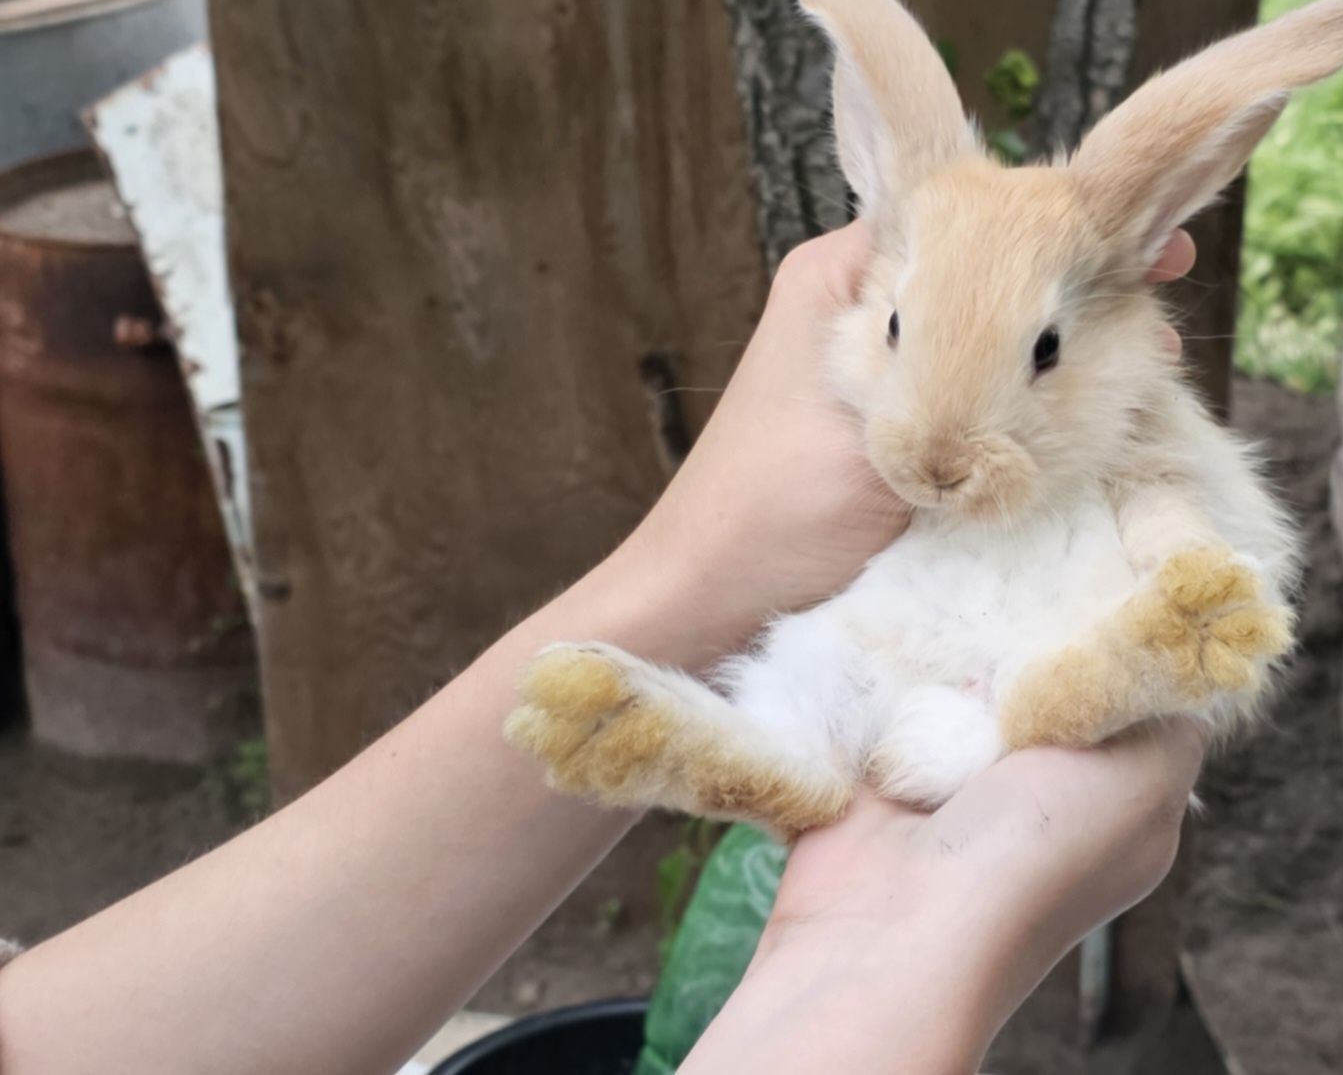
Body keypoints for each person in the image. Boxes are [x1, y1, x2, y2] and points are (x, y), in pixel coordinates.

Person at [0, 221, 1205, 1075]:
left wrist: (686, 578)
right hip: (903, 648)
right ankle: (769, 739)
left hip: (1012, 627)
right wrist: (902, 953)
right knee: (826, 678)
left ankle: (1085, 674)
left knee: (1072, 635)